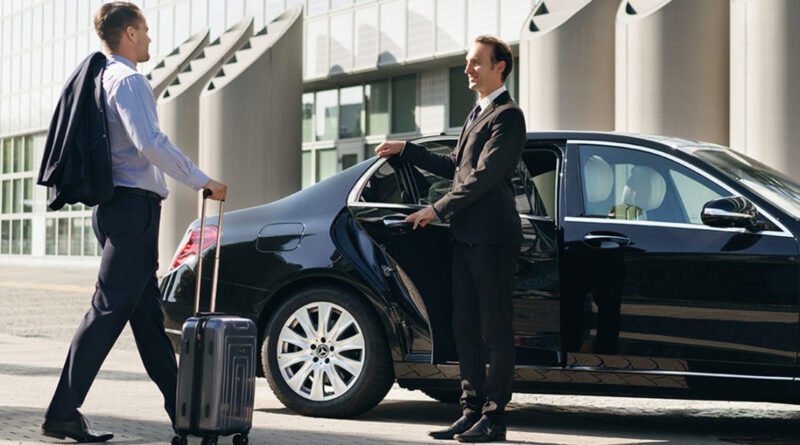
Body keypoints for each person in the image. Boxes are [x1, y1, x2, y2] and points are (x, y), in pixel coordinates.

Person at [41, 3, 227, 442]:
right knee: (105, 312)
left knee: (148, 322)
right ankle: (61, 412)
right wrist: (202, 180)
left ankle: (187, 416)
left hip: (118, 211)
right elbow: (150, 143)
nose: (149, 38)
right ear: (128, 32)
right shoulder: (128, 80)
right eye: (145, 31)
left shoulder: (101, 78)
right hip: (132, 213)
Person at [376, 35, 526, 443]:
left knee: (495, 332)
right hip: (465, 240)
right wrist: (409, 150)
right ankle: (470, 410)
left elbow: (484, 177)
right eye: (467, 62)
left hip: (493, 240)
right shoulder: (475, 114)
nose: (468, 69)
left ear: (500, 67)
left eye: (476, 62)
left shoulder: (508, 116)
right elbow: (456, 168)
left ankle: (494, 420)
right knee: (465, 330)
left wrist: (436, 209)